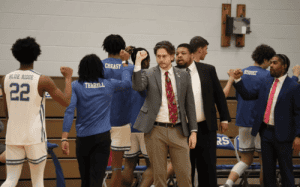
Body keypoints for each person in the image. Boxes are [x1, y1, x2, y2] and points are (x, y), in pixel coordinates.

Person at [0, 37, 73, 187]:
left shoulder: (5, 78)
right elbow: (66, 101)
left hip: (13, 135)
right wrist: (68, 78)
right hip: (35, 136)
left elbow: (6, 111)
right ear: (36, 55)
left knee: (11, 179)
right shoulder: (42, 79)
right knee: (38, 181)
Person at [132, 40, 197, 187]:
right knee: (159, 176)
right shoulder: (148, 73)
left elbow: (190, 104)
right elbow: (137, 86)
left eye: (164, 56)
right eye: (158, 56)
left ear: (172, 56)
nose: (161, 59)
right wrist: (137, 63)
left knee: (185, 174)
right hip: (155, 130)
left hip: (179, 130)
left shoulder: (183, 75)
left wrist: (193, 131)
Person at [61, 53, 132, 187]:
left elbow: (69, 111)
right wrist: (124, 63)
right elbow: (127, 84)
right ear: (101, 69)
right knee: (97, 180)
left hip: (83, 139)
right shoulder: (109, 84)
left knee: (85, 180)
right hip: (102, 139)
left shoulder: (76, 85)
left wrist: (64, 137)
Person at [231, 54, 300, 187]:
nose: (271, 65)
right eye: (271, 62)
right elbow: (248, 95)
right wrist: (238, 80)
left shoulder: (293, 87)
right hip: (266, 132)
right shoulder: (266, 82)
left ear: (284, 66)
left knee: (286, 170)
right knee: (268, 170)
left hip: (284, 135)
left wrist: (298, 136)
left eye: (274, 63)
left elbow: (298, 113)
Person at [220, 44, 276, 187]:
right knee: (265, 161)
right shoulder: (268, 75)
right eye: (270, 62)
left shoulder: (240, 73)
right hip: (261, 123)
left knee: (245, 159)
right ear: (265, 60)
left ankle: (228, 183)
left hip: (243, 120)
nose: (270, 66)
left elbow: (242, 95)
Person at [188, 37, 231, 187]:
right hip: (185, 127)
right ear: (200, 49)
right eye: (206, 49)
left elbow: (219, 95)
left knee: (208, 165)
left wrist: (224, 118)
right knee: (187, 166)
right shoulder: (178, 70)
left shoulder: (208, 69)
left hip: (206, 126)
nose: (206, 52)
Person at [102, 34, 133, 187]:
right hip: (122, 120)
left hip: (101, 121)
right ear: (122, 48)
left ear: (105, 47)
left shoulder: (98, 66)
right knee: (117, 168)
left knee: (97, 166)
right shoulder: (129, 67)